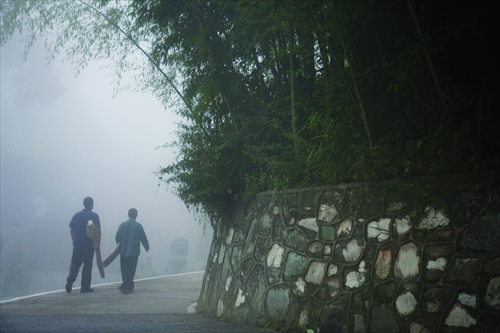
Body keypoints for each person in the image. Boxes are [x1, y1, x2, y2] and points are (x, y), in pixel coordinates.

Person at [66, 197, 101, 293]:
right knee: (87, 265)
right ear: (92, 204)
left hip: (77, 243)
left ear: (84, 204)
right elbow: (97, 230)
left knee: (75, 263)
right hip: (89, 243)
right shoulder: (94, 216)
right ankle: (85, 287)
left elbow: (71, 230)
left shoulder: (76, 215)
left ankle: (71, 278)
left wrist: (73, 240)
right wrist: (97, 243)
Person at [115, 208, 149, 294]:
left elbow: (117, 237)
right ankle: (128, 286)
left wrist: (119, 246)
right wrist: (146, 246)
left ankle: (126, 285)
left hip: (124, 252)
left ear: (128, 215)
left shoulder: (122, 225)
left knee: (124, 269)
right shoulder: (138, 226)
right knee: (131, 270)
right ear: (136, 215)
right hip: (134, 252)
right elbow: (143, 237)